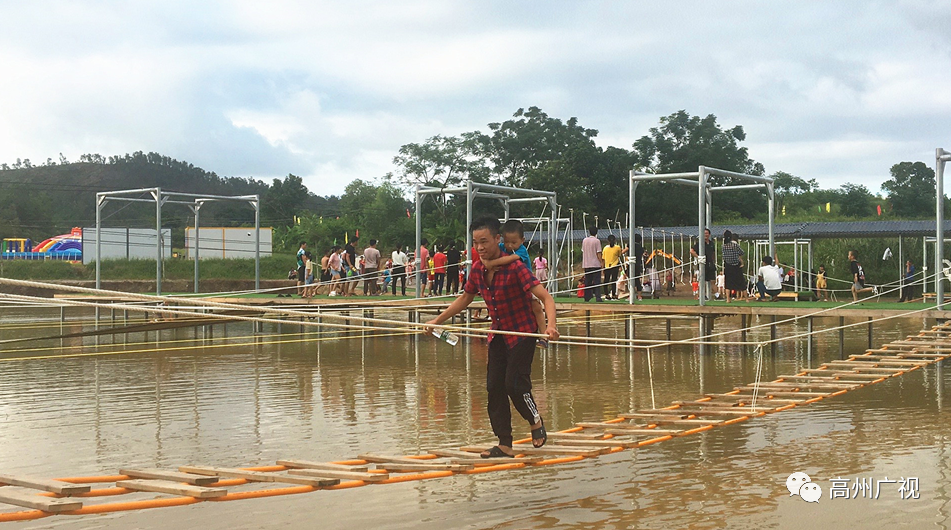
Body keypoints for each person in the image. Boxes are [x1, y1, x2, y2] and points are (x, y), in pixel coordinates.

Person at [425, 216, 559, 458]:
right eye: (476, 243)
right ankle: (505, 443)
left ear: (498, 239)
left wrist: (551, 326)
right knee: (494, 387)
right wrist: (437, 321)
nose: (480, 247)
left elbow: (545, 298)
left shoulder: (516, 267)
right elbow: (465, 299)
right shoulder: (477, 269)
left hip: (522, 333)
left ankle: (536, 420)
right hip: (498, 335)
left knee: (515, 384)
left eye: (484, 241)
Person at [482, 220, 548, 347]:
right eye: (507, 242)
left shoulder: (522, 251)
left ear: (522, 240)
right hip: (512, 287)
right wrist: (486, 263)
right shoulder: (501, 247)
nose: (510, 246)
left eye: (513, 242)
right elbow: (485, 253)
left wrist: (492, 263)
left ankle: (544, 336)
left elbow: (511, 259)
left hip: (527, 285)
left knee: (536, 307)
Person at [690, 228, 716, 300]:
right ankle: (702, 295)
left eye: (707, 233)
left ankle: (717, 295)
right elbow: (691, 251)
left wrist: (713, 261)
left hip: (710, 264)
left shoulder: (711, 243)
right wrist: (699, 257)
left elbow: (713, 253)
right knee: (702, 280)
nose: (705, 235)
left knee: (712, 280)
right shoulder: (699, 244)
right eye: (704, 233)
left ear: (709, 234)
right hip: (703, 264)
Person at [721, 230, 746, 303]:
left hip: (728, 265)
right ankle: (746, 299)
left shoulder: (723, 246)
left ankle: (728, 299)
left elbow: (724, 256)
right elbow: (742, 252)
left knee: (728, 283)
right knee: (741, 281)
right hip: (736, 265)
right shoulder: (735, 245)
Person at [581, 226, 604, 302]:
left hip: (587, 263)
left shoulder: (584, 240)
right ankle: (598, 297)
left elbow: (583, 251)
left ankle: (587, 296)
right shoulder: (597, 241)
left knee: (588, 281)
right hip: (595, 264)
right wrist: (601, 262)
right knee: (597, 281)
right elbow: (599, 253)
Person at [602, 234, 626, 301]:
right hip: (615, 266)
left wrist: (602, 268)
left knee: (606, 281)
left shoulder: (605, 248)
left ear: (608, 241)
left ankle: (606, 295)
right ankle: (613, 295)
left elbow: (603, 259)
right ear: (615, 240)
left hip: (607, 266)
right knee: (613, 280)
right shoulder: (618, 247)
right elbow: (619, 255)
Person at [632, 233, 645, 300]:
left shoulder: (631, 245)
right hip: (638, 265)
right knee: (637, 281)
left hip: (632, 264)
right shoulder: (641, 248)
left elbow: (624, 251)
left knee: (631, 280)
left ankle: (631, 295)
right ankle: (639, 296)